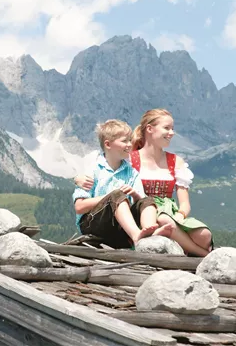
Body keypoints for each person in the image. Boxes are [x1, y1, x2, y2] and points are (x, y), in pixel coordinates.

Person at [75, 109, 212, 257]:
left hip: (157, 210)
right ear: (149, 129)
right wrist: (77, 178)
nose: (172, 133)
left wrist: (180, 215)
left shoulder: (173, 162)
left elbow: (181, 203)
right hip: (134, 215)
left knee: (204, 235)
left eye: (172, 128)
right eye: (167, 128)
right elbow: (105, 163)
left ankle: (158, 237)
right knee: (163, 218)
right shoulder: (129, 159)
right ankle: (202, 254)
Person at [73, 119, 174, 249]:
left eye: (129, 140)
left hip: (120, 228)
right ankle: (136, 235)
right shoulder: (93, 170)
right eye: (124, 141)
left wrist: (135, 195)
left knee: (147, 200)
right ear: (108, 144)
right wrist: (110, 197)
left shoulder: (131, 172)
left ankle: (150, 233)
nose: (129, 145)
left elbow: (141, 203)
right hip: (93, 225)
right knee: (117, 195)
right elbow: (79, 207)